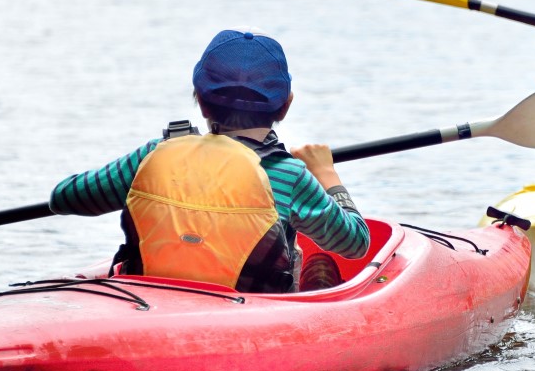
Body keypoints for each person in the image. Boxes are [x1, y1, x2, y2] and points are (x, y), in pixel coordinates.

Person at [50, 28, 370, 292]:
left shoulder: (155, 155)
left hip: (149, 301)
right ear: (285, 106)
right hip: (252, 317)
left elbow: (66, 197)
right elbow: (356, 243)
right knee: (314, 262)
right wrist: (326, 174)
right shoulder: (290, 175)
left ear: (200, 102)